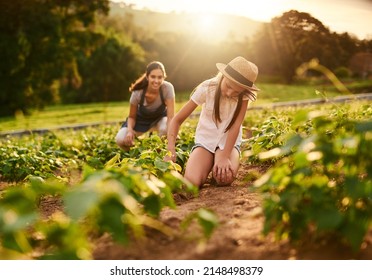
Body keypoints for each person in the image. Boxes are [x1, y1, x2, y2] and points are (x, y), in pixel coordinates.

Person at [165, 56, 259, 187]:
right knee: (191, 184)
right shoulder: (207, 88)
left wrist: (225, 156)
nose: (229, 92)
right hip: (205, 142)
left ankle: (219, 162)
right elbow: (177, 120)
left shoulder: (244, 96)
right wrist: (170, 149)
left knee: (224, 179)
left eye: (236, 92)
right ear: (223, 76)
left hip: (228, 144)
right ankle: (207, 163)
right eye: (228, 86)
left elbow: (235, 125)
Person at [116, 61, 175, 150]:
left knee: (165, 128)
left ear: (164, 77)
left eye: (160, 77)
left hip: (159, 119)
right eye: (153, 77)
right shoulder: (138, 92)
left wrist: (172, 134)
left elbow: (171, 117)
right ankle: (132, 154)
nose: (156, 81)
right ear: (147, 77)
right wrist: (130, 131)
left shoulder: (167, 88)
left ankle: (160, 152)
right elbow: (131, 116)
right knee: (120, 139)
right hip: (140, 121)